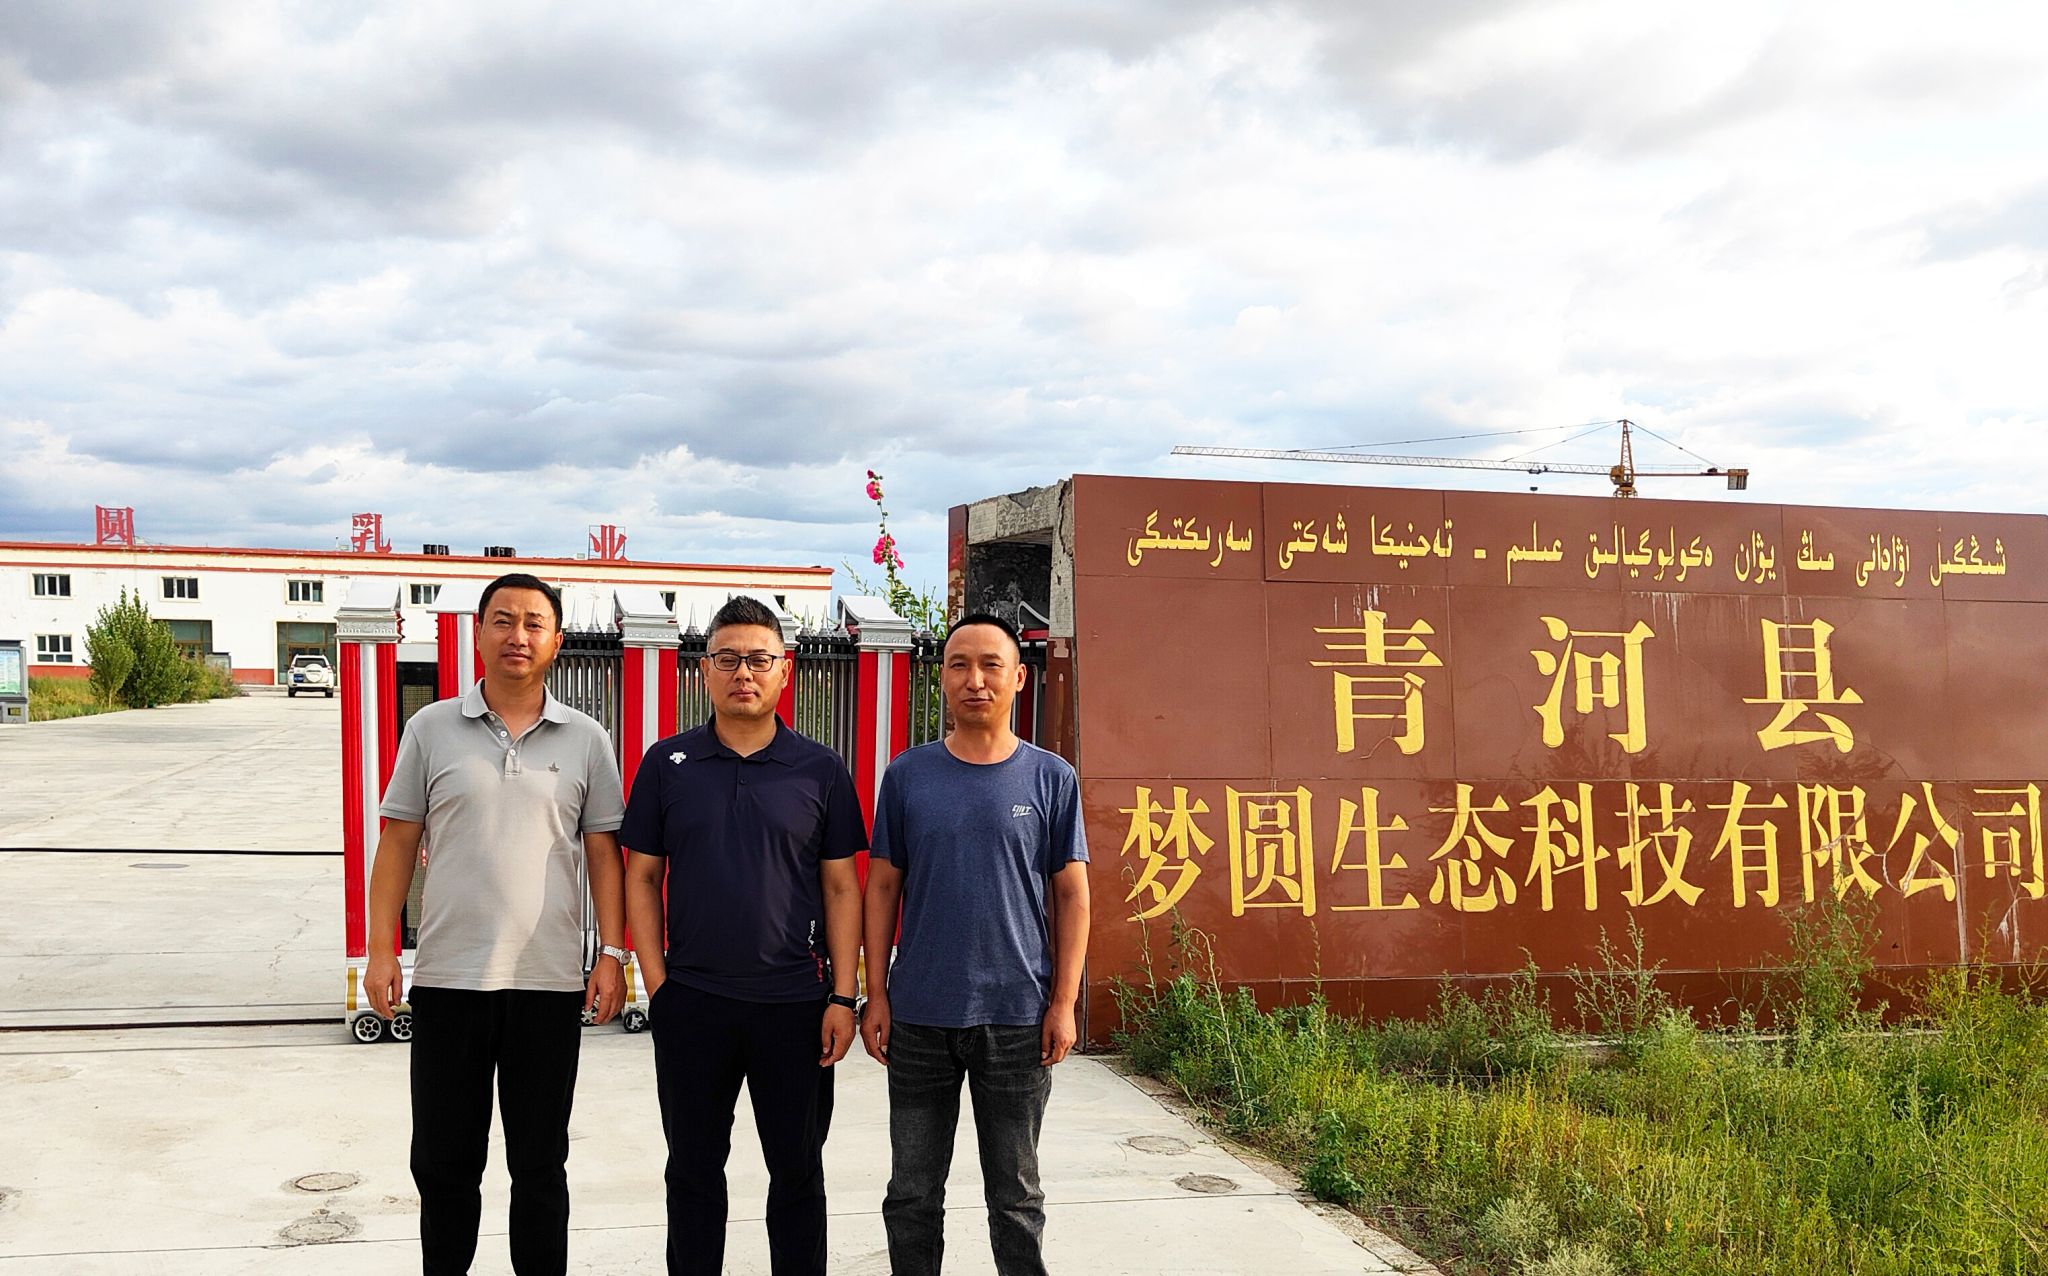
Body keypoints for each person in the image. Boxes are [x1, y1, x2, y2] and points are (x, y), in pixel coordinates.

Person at [364, 572, 627, 1276]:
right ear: (478, 634)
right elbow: (397, 843)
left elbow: (604, 853)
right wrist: (383, 949)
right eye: (503, 620)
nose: (518, 635)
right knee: (445, 1164)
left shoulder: (586, 739)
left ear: (557, 641)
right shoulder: (430, 729)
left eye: (534, 623)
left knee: (540, 1166)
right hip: (450, 981)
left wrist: (613, 953)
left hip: (547, 985)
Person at [621, 595, 866, 1276]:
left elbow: (842, 888)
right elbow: (641, 876)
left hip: (796, 1007)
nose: (743, 673)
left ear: (785, 670)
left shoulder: (819, 769)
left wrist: (843, 997)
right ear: (704, 671)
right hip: (694, 1002)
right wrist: (659, 986)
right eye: (727, 659)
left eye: (759, 659)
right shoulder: (667, 763)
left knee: (798, 1173)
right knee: (693, 1171)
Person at [861, 612, 1091, 1276]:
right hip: (921, 1015)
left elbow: (1073, 895)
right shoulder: (909, 776)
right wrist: (876, 994)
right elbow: (882, 888)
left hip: (1018, 1016)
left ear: (1018, 678)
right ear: (942, 678)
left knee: (1016, 1197)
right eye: (960, 665)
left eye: (992, 665)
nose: (975, 680)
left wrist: (1064, 1003)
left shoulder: (1051, 778)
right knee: (912, 1194)